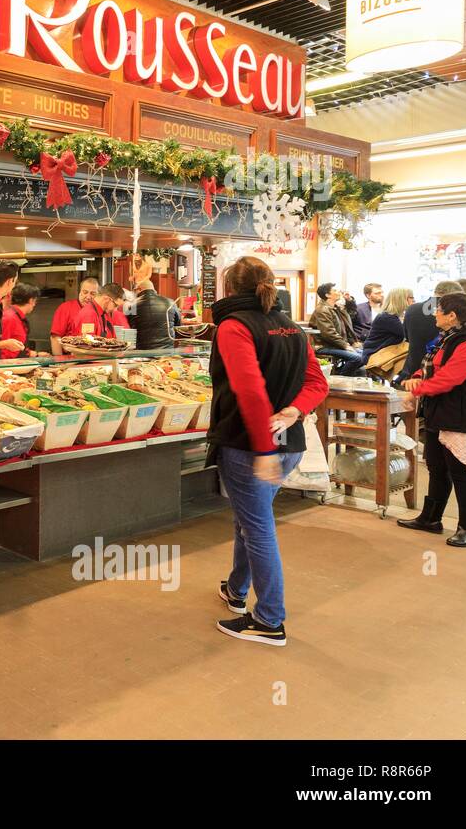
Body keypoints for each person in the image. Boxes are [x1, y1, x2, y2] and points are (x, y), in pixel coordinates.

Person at [208, 257, 328, 647]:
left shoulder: (233, 326)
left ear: (229, 288)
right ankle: (237, 590)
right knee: (250, 520)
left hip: (250, 446)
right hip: (289, 443)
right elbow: (317, 383)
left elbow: (250, 390)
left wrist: (262, 448)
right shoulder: (291, 327)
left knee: (258, 528)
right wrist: (296, 410)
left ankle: (269, 620)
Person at [398, 292, 466, 548]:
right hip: (439, 412)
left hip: (460, 416)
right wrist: (417, 376)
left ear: (452, 315)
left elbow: (450, 379)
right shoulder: (450, 337)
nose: (434, 313)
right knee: (436, 466)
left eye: (439, 309)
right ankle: (431, 518)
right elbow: (433, 365)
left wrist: (417, 390)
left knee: (461, 472)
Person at [396, 280, 463, 385]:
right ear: (457, 295)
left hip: (411, 371)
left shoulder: (412, 309)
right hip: (440, 375)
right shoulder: (456, 312)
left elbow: (407, 338)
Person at [311, 283, 363, 375]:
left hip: (336, 345)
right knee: (356, 358)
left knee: (365, 355)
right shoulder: (322, 310)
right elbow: (328, 333)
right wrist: (345, 345)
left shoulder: (335, 308)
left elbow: (351, 314)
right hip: (324, 346)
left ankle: (340, 372)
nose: (339, 292)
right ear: (327, 295)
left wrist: (349, 300)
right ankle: (340, 378)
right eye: (335, 290)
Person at [360, 287, 412, 364]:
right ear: (401, 300)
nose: (413, 300)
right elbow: (408, 335)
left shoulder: (392, 316)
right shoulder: (387, 317)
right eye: (410, 298)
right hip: (376, 355)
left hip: (384, 353)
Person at [50, 276, 99, 355]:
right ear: (80, 292)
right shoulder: (65, 308)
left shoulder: (99, 311)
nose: (88, 297)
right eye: (85, 292)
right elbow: (55, 337)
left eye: (93, 294)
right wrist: (59, 361)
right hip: (69, 358)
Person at [131, 279, 179, 350]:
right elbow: (178, 325)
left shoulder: (131, 305)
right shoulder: (171, 302)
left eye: (135, 291)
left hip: (142, 352)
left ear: (139, 289)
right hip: (167, 351)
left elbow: (129, 329)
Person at [0, 283, 42, 358]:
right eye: (35, 301)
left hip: (17, 364)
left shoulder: (18, 317)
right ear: (31, 300)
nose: (34, 304)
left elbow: (18, 346)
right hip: (8, 366)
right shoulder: (9, 317)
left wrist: (35, 354)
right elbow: (1, 349)